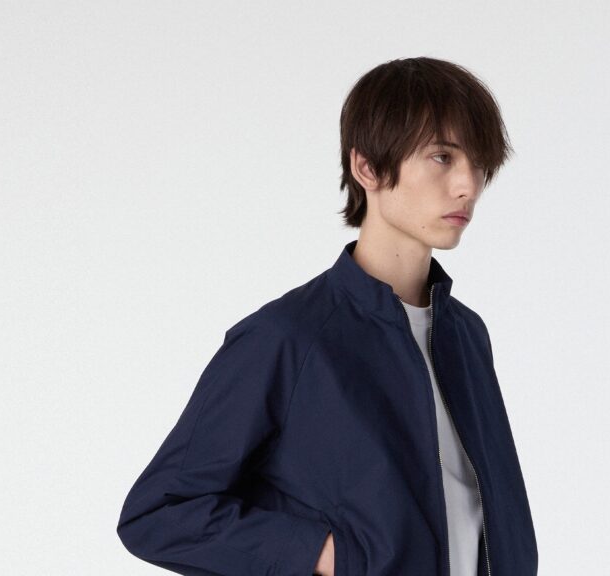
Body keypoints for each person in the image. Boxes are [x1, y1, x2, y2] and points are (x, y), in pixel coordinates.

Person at [117, 56, 538, 576]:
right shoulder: (288, 338)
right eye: (442, 157)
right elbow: (160, 513)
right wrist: (328, 554)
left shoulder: (465, 334)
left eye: (479, 164)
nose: (467, 185)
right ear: (368, 168)